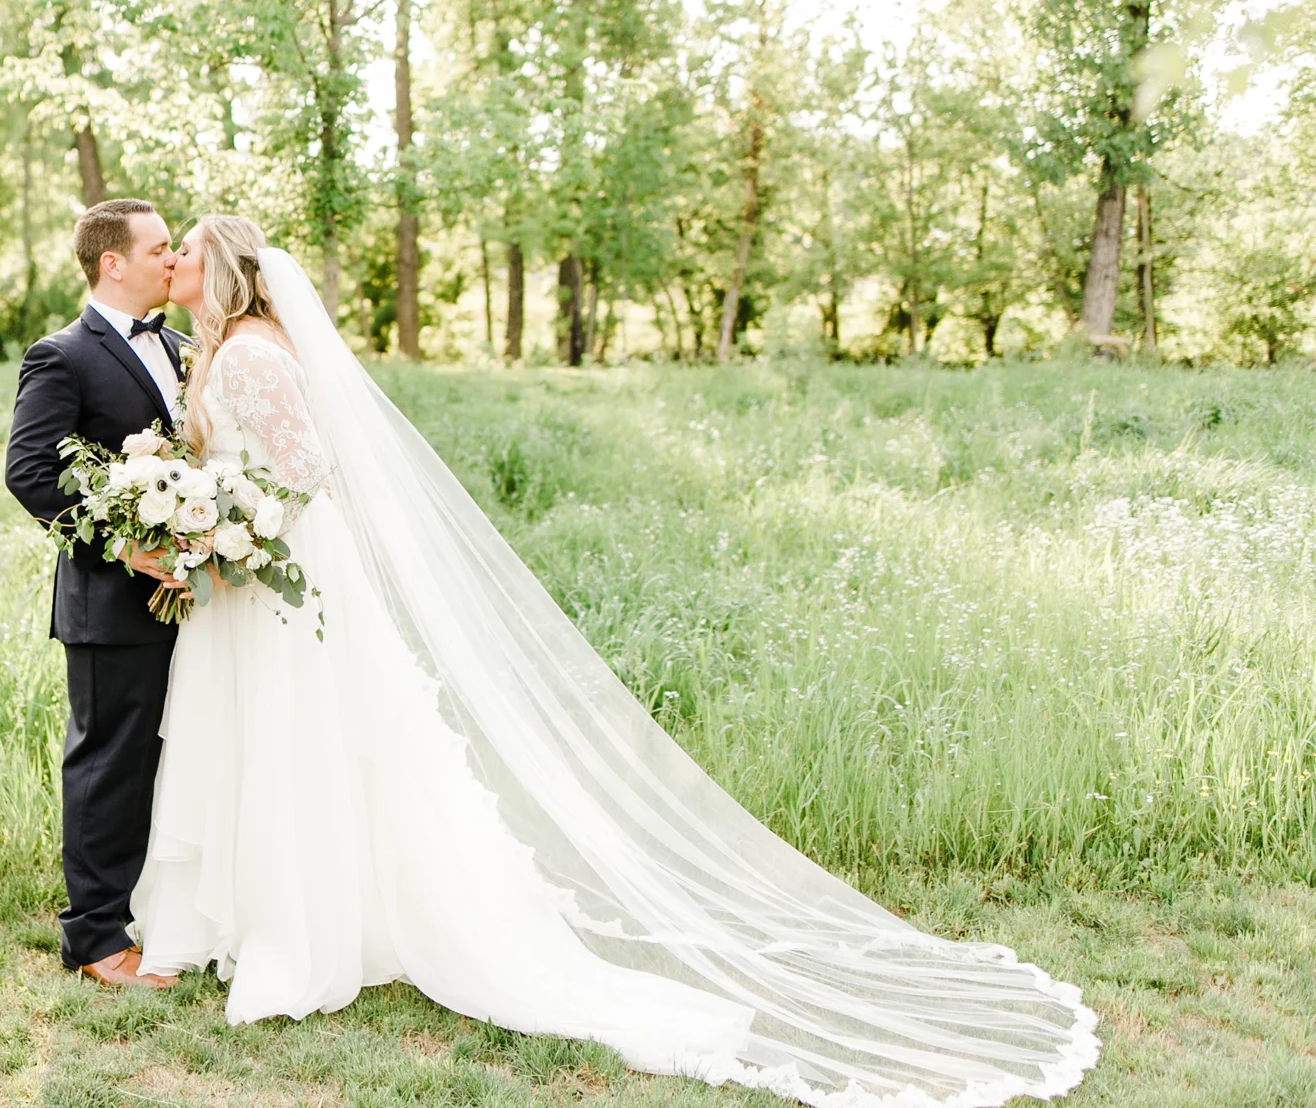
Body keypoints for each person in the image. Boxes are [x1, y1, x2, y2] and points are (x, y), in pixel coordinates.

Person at [127, 213, 1100, 1108]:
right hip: (251, 573)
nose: (172, 268)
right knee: (267, 743)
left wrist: (232, 537)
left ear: (216, 273)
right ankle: (263, 917)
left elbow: (302, 472)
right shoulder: (219, 349)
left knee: (308, 743)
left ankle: (310, 931)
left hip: (283, 569)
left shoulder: (254, 356)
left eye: (184, 258)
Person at [4, 198, 188, 990]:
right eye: (160, 248)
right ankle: (95, 938)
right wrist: (128, 545)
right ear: (113, 262)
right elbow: (30, 473)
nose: (172, 260)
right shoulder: (62, 355)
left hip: (192, 596)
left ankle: (166, 911)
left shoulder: (181, 346)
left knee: (174, 760)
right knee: (107, 763)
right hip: (110, 602)